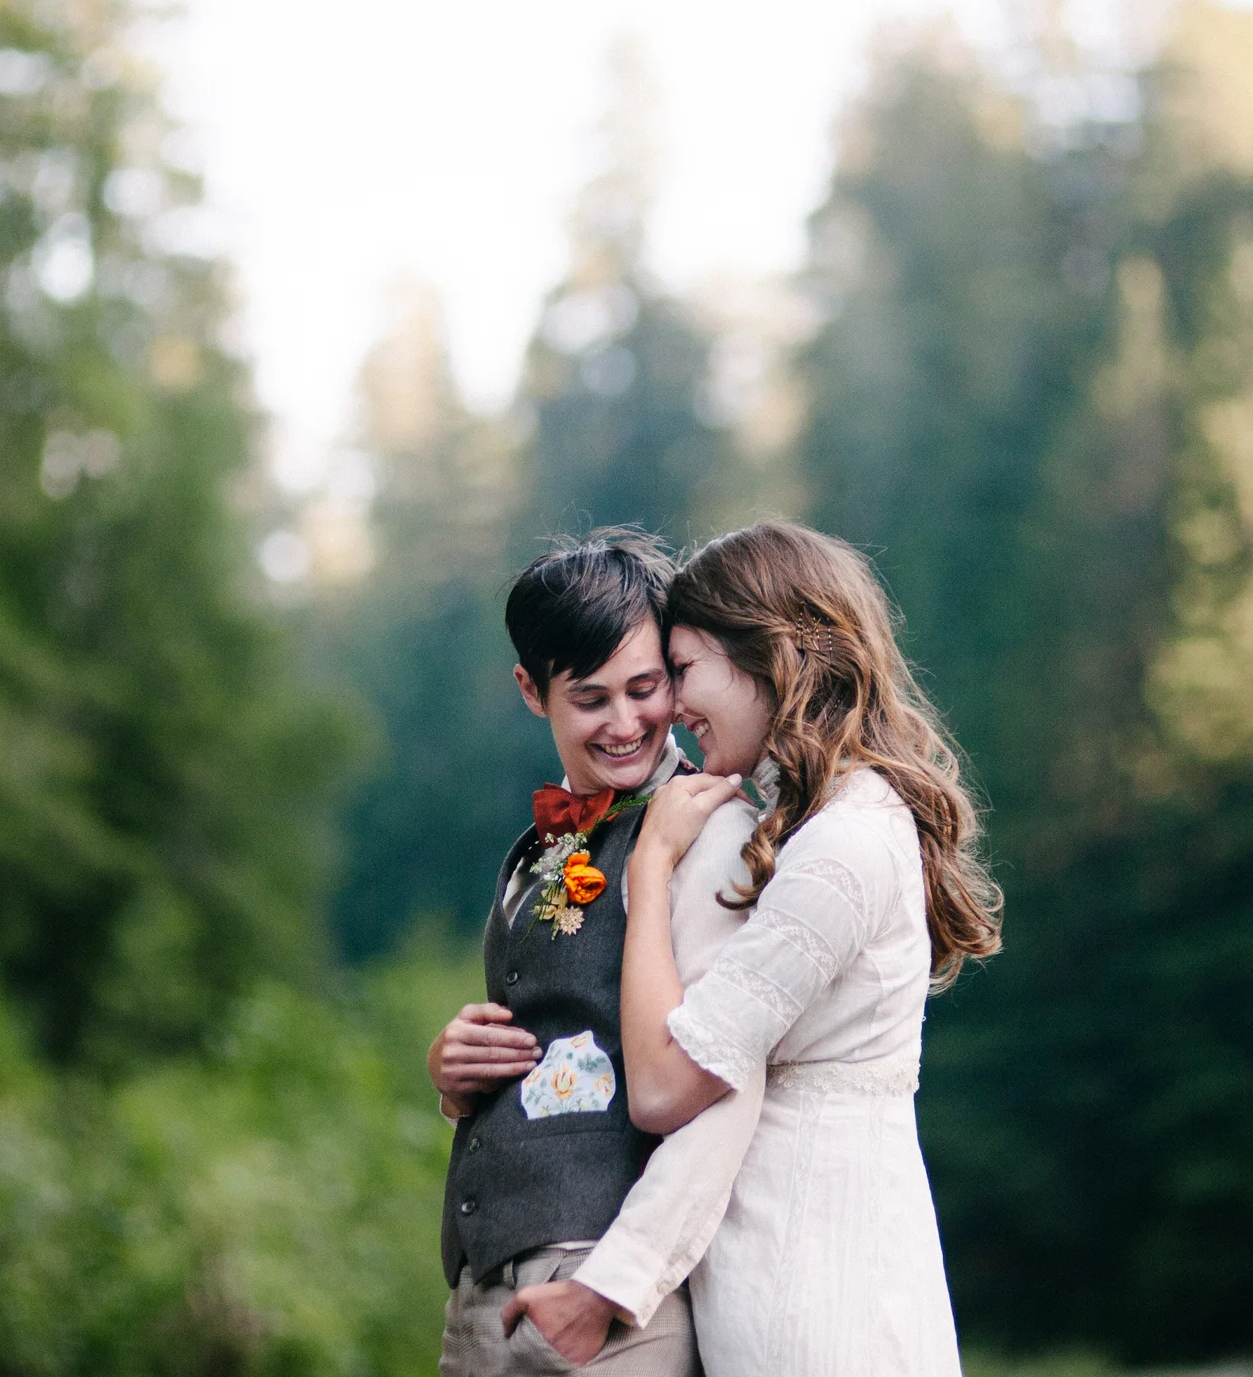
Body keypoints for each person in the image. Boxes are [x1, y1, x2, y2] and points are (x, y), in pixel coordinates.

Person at [588, 520, 1005, 1377]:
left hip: (813, 1281)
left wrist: (651, 868)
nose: (671, 706)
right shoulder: (818, 825)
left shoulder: (842, 849)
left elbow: (667, 1086)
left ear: (768, 655)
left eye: (683, 670)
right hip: (801, 1256)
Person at [429, 527, 708, 1376]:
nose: (627, 723)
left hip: (611, 1291)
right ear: (530, 689)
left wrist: (615, 1282)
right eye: (591, 699)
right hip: (485, 1288)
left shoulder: (706, 831)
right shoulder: (534, 848)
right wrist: (454, 1078)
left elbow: (719, 1074)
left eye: (646, 688)